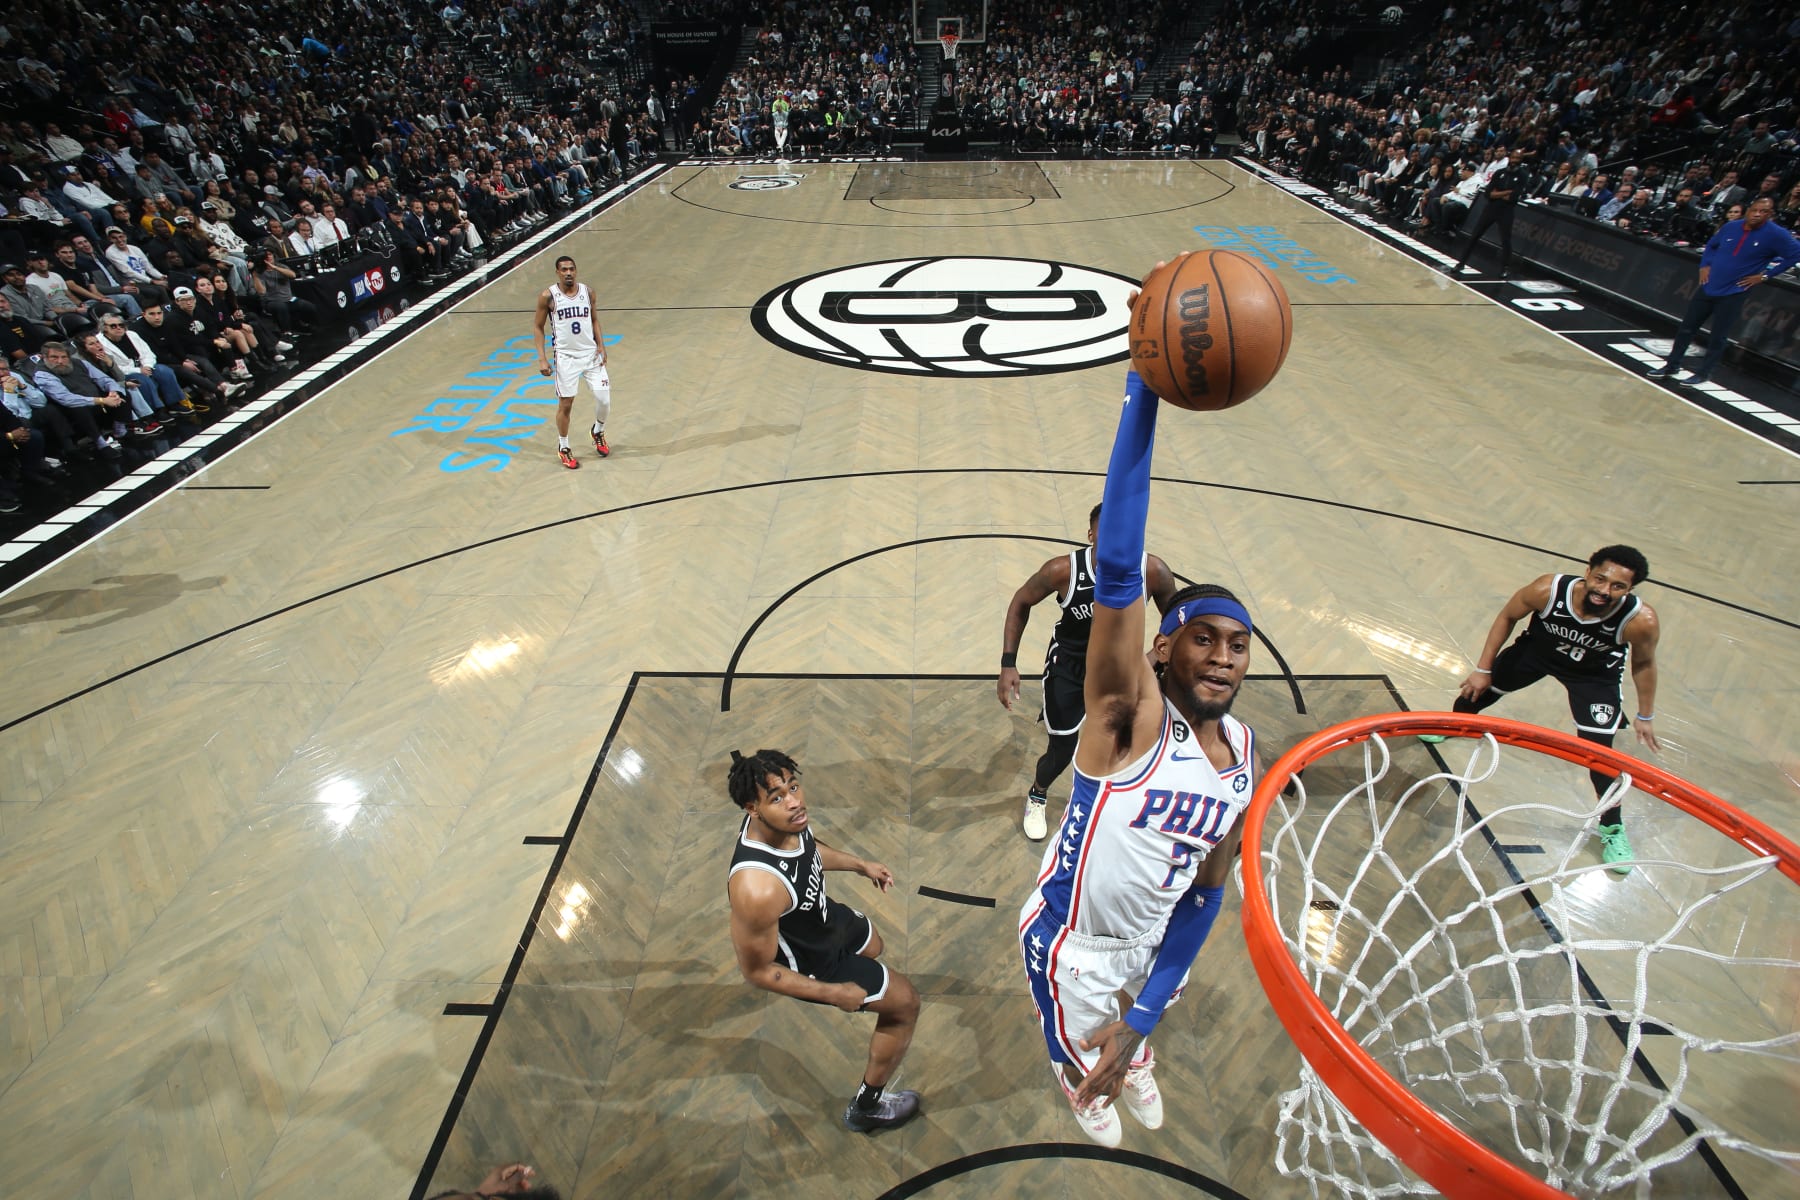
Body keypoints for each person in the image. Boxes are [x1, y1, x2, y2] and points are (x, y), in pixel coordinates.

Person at [1019, 367, 1260, 1147]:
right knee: (1081, 1051)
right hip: (1073, 944)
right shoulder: (1129, 722)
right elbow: (1121, 569)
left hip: (1152, 941)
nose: (1222, 657)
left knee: (1127, 1029)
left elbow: (1209, 892)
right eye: (1203, 638)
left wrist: (1146, 1014)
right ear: (1161, 648)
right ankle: (1079, 1081)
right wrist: (1143, 387)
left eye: (1237, 645)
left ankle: (1135, 1048)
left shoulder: (1243, 755)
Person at [725, 748, 923, 1133]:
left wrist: (859, 865)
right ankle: (866, 1108)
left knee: (875, 946)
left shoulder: (788, 822)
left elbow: (809, 850)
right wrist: (834, 993)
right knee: (906, 1004)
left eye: (793, 787)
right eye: (777, 797)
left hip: (826, 917)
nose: (794, 801)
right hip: (815, 962)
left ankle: (869, 981)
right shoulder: (757, 889)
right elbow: (757, 971)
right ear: (753, 808)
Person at [1448, 546, 1661, 874]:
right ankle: (1451, 725)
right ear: (1587, 571)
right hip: (1536, 654)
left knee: (1599, 758)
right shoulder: (1547, 590)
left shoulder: (1640, 621)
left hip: (1594, 676)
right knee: (1473, 697)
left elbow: (1644, 664)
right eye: (1600, 579)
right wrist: (1483, 668)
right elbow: (1507, 616)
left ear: (1630, 589)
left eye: (1617, 586)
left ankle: (1612, 827)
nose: (1605, 590)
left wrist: (1645, 716)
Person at [999, 502, 1177, 840]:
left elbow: (1177, 622)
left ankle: (1109, 803)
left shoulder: (1152, 571)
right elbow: (1021, 601)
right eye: (1106, 531)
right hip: (1070, 668)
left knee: (1123, 744)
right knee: (1061, 750)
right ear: (1091, 534)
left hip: (1120, 671)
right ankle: (1038, 793)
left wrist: (1155, 655)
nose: (1115, 538)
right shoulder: (1064, 570)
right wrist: (1009, 662)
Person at [1647, 197, 1800, 384]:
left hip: (1734, 291)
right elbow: (1712, 245)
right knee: (1687, 328)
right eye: (1755, 210)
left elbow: (1795, 254)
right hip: (1709, 285)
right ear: (1748, 210)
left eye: (1764, 212)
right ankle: (1672, 365)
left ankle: (1704, 373)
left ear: (1770, 214)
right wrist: (1705, 265)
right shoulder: (1731, 227)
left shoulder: (1777, 234)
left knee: (1718, 336)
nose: (1758, 214)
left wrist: (1766, 276)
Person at [532, 255, 610, 469]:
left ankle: (598, 431)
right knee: (566, 404)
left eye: (571, 269)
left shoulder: (588, 292)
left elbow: (594, 319)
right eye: (564, 269)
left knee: (604, 400)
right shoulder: (548, 296)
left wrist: (601, 345)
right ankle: (564, 446)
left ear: (576, 271)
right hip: (566, 357)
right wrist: (542, 358)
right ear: (557, 272)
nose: (568, 273)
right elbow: (538, 327)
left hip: (590, 354)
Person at [1452, 151, 1530, 277]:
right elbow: (1488, 193)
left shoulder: (1523, 176)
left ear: (1521, 160)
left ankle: (1505, 268)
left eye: (1518, 158)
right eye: (1513, 157)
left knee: (1505, 240)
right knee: (1474, 235)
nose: (1515, 160)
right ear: (1509, 158)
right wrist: (1506, 192)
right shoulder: (1499, 173)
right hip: (1491, 208)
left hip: (1506, 210)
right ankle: (1461, 263)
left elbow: (1513, 197)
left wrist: (1498, 193)